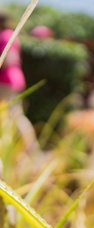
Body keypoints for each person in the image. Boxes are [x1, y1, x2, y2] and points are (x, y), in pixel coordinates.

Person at [0, 11, 39, 153]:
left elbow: (9, 58)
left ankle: (32, 149)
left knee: (14, 115)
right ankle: (31, 149)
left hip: (6, 81)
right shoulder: (11, 35)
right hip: (14, 78)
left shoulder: (5, 36)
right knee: (15, 115)